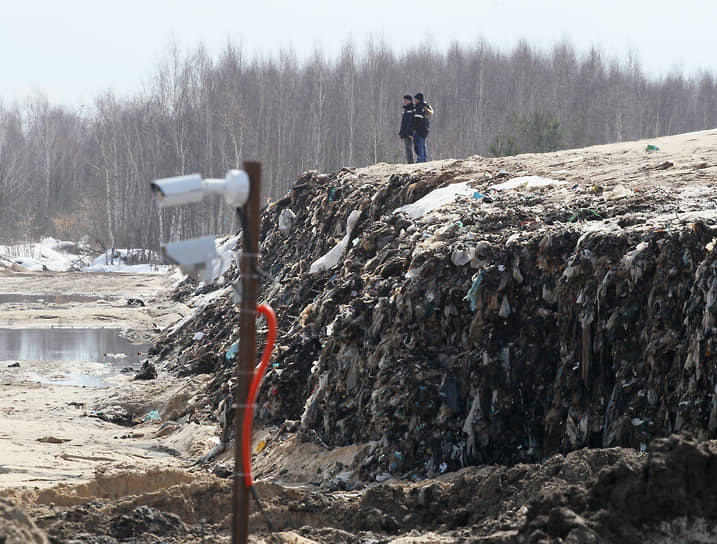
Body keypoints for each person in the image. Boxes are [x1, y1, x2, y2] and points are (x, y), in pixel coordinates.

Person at [412, 92, 430, 162]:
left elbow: (418, 120)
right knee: (422, 145)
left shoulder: (419, 108)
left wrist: (414, 128)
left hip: (419, 130)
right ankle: (424, 159)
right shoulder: (424, 107)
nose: (414, 100)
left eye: (415, 99)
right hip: (425, 129)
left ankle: (420, 160)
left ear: (418, 100)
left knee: (419, 146)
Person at [399, 94, 414, 163]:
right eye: (404, 100)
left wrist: (410, 131)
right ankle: (409, 161)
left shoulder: (411, 109)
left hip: (410, 132)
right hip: (405, 132)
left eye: (406, 100)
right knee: (407, 148)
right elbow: (403, 123)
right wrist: (401, 132)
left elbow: (410, 122)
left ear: (410, 100)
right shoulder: (406, 110)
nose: (405, 101)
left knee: (409, 148)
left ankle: (411, 162)